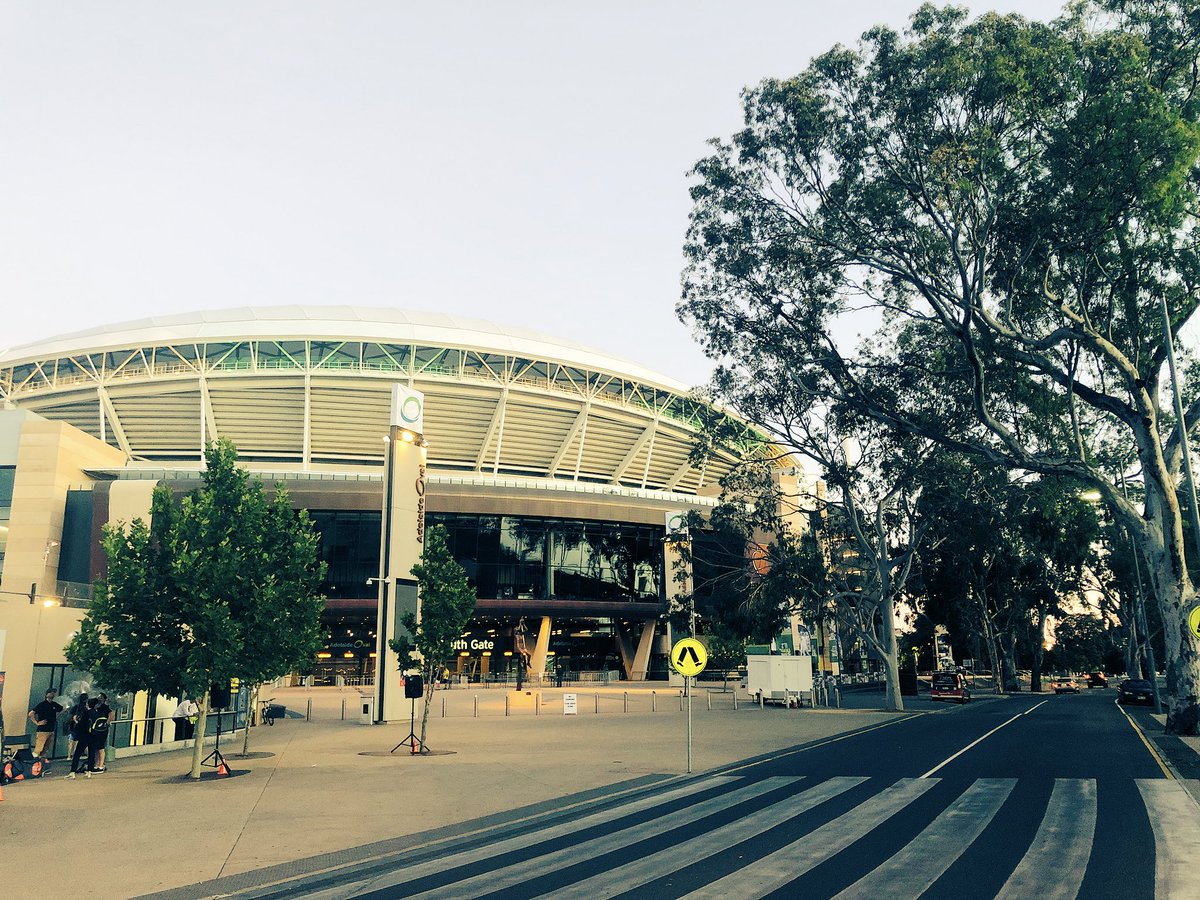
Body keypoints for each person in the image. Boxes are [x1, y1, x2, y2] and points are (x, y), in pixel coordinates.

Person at [65, 698, 97, 778]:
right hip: (93, 735)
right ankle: (89, 771)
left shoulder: (86, 713)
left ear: (87, 704)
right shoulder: (96, 712)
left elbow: (81, 725)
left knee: (77, 754)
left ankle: (73, 771)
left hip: (84, 736)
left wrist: (76, 721)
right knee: (91, 753)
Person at [27, 689, 63, 759]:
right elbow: (31, 713)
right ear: (47, 694)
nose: (53, 694)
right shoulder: (42, 704)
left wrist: (56, 716)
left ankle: (42, 760)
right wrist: (37, 723)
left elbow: (62, 709)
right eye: (51, 693)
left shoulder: (54, 704)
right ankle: (34, 761)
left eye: (54, 693)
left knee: (46, 748)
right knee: (39, 747)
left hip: (51, 729)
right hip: (43, 730)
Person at [91, 693, 115, 772]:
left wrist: (107, 723)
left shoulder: (105, 707)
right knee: (96, 748)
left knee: (101, 748)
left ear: (104, 699)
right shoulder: (95, 707)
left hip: (102, 730)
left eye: (101, 697)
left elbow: (111, 715)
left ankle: (101, 766)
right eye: (98, 697)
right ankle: (96, 764)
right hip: (95, 729)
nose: (99, 699)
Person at [66, 692, 89, 760]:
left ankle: (69, 756)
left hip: (74, 726)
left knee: (72, 741)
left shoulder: (76, 707)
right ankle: (86, 755)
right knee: (84, 741)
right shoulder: (87, 708)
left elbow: (70, 716)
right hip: (83, 727)